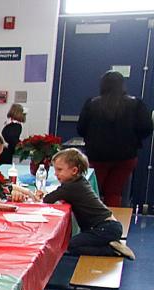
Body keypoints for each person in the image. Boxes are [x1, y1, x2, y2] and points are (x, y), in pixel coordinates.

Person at [39, 148, 135, 260]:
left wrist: (41, 195)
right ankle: (109, 243)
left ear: (74, 171)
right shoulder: (80, 181)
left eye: (59, 170)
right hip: (109, 226)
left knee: (72, 246)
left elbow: (48, 199)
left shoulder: (71, 187)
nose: (55, 174)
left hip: (104, 228)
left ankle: (111, 250)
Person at [77, 70, 154, 207]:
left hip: (97, 156)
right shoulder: (136, 104)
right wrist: (134, 140)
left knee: (92, 191)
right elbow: (147, 128)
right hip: (126, 156)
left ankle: (92, 221)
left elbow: (81, 129)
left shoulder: (92, 104)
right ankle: (114, 223)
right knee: (115, 193)